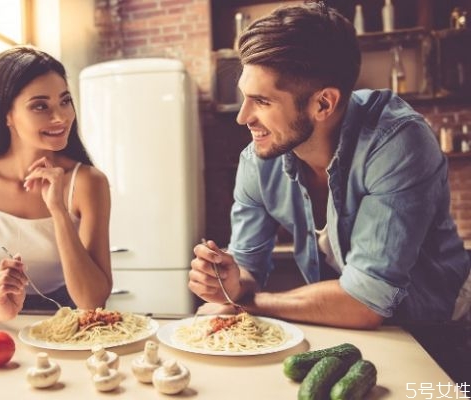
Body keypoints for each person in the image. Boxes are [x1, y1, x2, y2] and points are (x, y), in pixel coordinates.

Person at [190, 1, 471, 329]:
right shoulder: (257, 160)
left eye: (263, 101)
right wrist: (230, 283)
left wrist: (248, 303)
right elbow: (247, 267)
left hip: (441, 322)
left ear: (323, 103)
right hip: (348, 324)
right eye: (245, 97)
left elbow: (365, 302)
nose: (243, 117)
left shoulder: (397, 142)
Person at [0, 45, 112, 324]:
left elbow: (93, 300)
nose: (60, 117)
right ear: (5, 115)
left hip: (69, 312)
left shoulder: (88, 182)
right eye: (40, 106)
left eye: (65, 101)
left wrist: (58, 209)